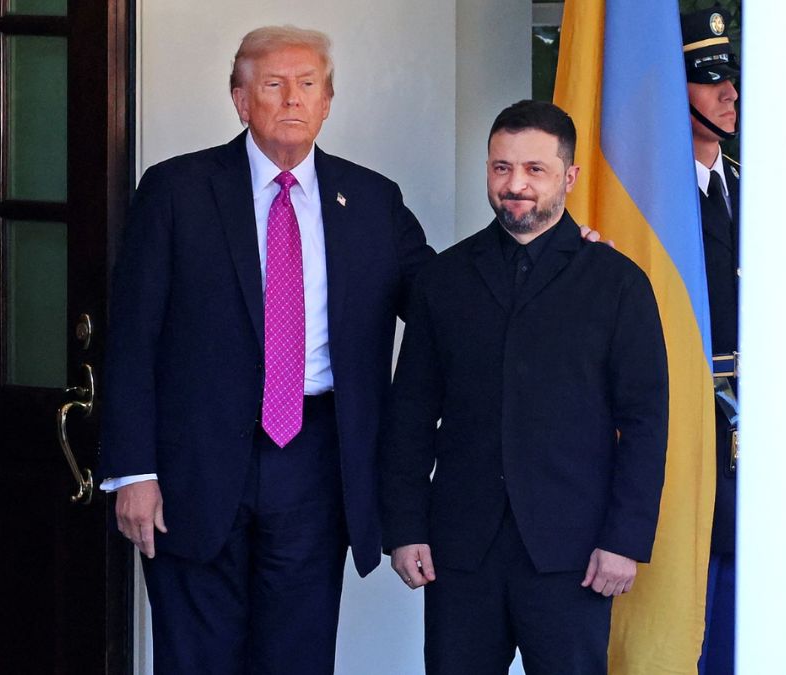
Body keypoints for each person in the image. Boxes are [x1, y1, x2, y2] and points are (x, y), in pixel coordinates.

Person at [98, 25, 436, 673]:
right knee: (196, 654)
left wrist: (555, 255)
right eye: (273, 84)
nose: (291, 98)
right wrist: (133, 469)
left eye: (307, 84)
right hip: (191, 461)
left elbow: (441, 303)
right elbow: (133, 336)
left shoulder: (370, 200)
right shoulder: (176, 190)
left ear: (328, 101)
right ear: (239, 98)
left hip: (316, 460)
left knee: (297, 655)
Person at [380, 100, 669, 674]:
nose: (515, 185)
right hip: (460, 552)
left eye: (534, 169)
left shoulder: (618, 284)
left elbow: (644, 421)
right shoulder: (445, 279)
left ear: (569, 175)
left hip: (576, 554)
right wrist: (404, 528)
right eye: (501, 167)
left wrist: (625, 540)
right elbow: (410, 412)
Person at [681, 7, 740, 674]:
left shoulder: (752, 187)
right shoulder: (653, 205)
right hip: (690, 417)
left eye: (733, 76)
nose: (730, 92)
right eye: (711, 77)